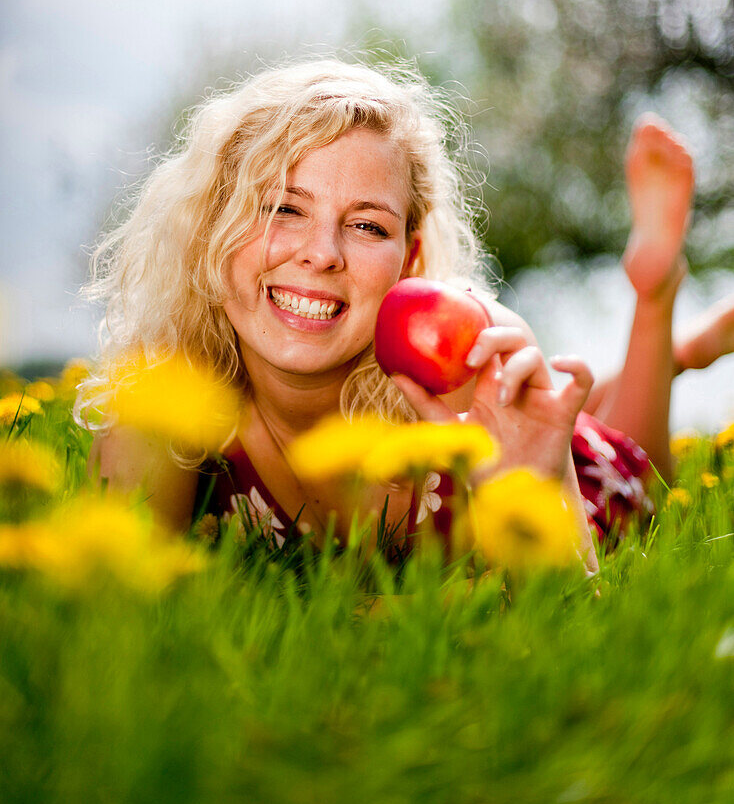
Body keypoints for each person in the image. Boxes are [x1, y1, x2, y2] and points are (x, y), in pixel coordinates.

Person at [82, 59, 732, 564]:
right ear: (211, 227)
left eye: (366, 226)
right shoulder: (165, 406)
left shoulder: (466, 362)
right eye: (282, 208)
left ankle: (657, 299)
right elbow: (114, 633)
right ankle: (683, 353)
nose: (321, 254)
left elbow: (570, 639)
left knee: (641, 467)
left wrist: (550, 483)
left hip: (574, 467)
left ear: (411, 257)